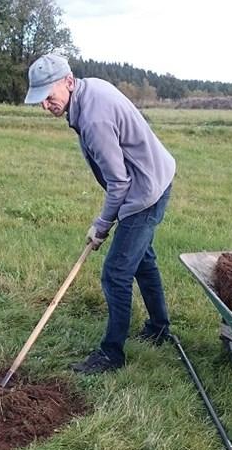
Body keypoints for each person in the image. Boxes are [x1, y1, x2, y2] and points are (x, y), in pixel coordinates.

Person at [24, 54, 176, 375]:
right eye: (39, 100)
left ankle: (111, 355)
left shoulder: (93, 118)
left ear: (68, 81)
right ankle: (160, 328)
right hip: (150, 179)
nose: (44, 106)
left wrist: (101, 225)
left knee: (115, 273)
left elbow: (119, 183)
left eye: (48, 97)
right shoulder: (87, 90)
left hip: (145, 191)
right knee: (142, 260)